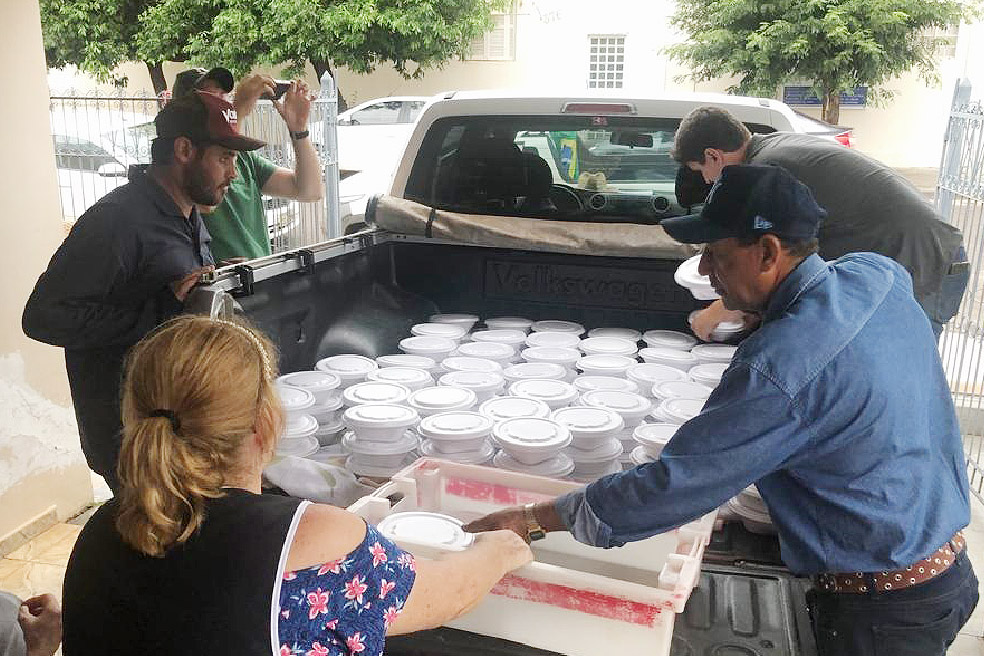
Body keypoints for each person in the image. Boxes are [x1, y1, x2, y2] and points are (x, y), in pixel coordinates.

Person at [465, 164, 978, 656]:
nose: (705, 270)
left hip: (882, 610)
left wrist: (532, 519)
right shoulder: (877, 275)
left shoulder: (779, 371)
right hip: (945, 566)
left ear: (768, 252)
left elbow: (674, 485)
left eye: (714, 253)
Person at [60, 316, 531, 656]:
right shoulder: (316, 541)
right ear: (265, 424)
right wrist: (504, 547)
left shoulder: (106, 526)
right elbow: (451, 593)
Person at [21, 89, 267, 491]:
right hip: (131, 447)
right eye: (224, 158)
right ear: (184, 150)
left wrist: (214, 277)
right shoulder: (118, 221)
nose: (234, 173)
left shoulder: (186, 214)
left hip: (178, 435)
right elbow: (44, 316)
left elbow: (167, 286)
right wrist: (160, 312)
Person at [670, 106, 969, 340]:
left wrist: (719, 311)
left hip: (926, 263)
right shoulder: (771, 148)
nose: (708, 182)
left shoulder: (770, 169)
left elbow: (765, 262)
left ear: (713, 155)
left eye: (701, 172)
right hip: (909, 257)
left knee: (900, 376)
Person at [171, 67, 324, 264]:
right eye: (210, 95)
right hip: (218, 288)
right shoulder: (184, 162)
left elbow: (309, 191)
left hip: (259, 282)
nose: (221, 100)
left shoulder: (243, 159)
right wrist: (238, 111)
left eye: (222, 94)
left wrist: (299, 129)